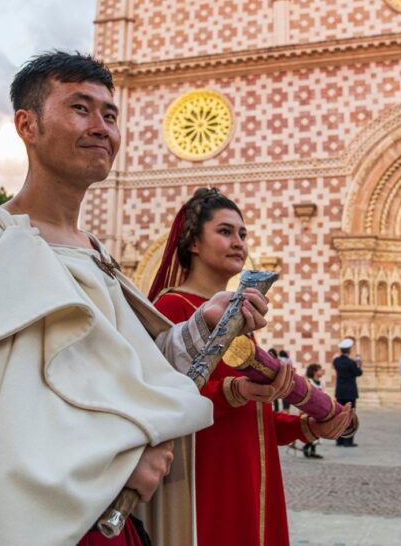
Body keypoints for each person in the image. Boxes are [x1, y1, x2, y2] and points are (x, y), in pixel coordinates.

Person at [0, 52, 271, 546]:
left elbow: (129, 372)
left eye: (110, 114)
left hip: (105, 527)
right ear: (28, 126)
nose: (102, 127)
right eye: (80, 108)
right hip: (15, 520)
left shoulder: (98, 257)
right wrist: (118, 457)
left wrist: (204, 326)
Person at [148, 187, 352, 546]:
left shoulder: (240, 318)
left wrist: (309, 426)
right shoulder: (174, 309)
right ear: (193, 242)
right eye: (225, 231)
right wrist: (235, 391)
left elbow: (254, 418)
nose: (239, 242)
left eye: (243, 233)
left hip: (253, 481)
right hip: (208, 483)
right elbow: (161, 399)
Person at [333, 337, 363, 447]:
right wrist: (359, 364)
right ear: (349, 350)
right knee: (350, 416)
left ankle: (339, 439)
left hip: (340, 392)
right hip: (350, 392)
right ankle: (348, 440)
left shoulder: (336, 361)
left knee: (340, 415)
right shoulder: (351, 363)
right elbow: (358, 373)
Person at [302, 363, 325, 459]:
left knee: (317, 429)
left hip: (318, 409)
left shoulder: (322, 383)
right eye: (320, 369)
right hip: (310, 409)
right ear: (315, 371)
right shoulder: (309, 382)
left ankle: (312, 450)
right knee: (310, 429)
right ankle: (307, 447)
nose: (322, 371)